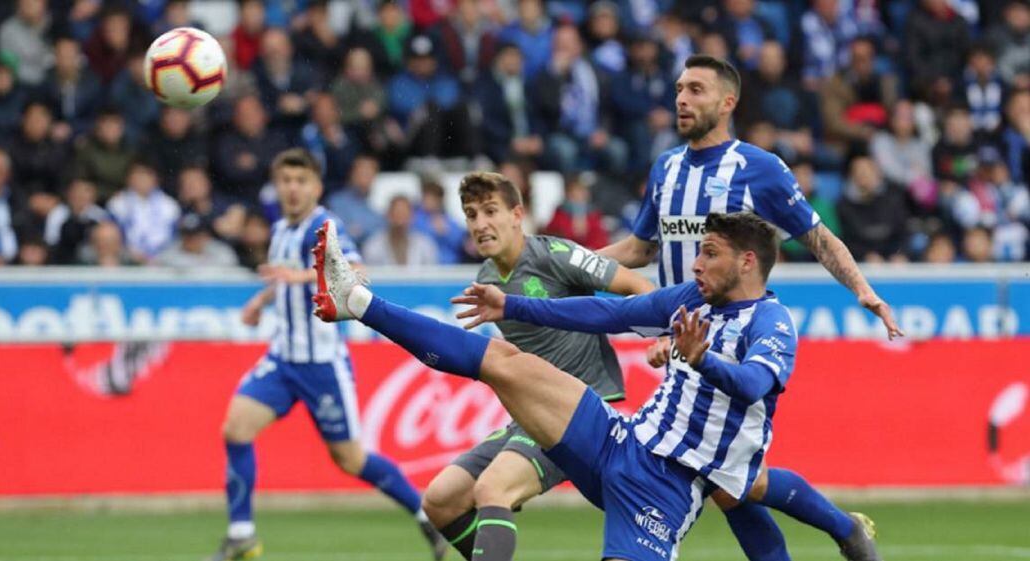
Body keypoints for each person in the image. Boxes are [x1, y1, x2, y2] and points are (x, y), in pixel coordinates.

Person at [314, 211, 872, 561]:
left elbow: (753, 385)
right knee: (505, 362)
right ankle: (358, 302)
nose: (696, 262)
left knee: (748, 489)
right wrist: (513, 303)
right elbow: (608, 312)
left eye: (710, 252)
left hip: (664, 489)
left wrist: (706, 362)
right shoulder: (691, 300)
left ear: (748, 262)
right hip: (619, 440)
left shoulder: (771, 325)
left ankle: (849, 534)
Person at [598, 55, 894, 561]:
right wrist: (568, 264)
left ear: (727, 103)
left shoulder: (759, 169)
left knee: (729, 478)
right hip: (682, 342)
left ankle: (844, 529)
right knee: (730, 483)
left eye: (695, 90)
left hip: (731, 342)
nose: (682, 100)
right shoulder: (666, 168)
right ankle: (845, 530)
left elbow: (819, 238)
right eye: (679, 90)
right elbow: (641, 248)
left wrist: (862, 289)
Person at [208, 149, 446, 561]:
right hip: (283, 359)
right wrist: (262, 299)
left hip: (323, 365)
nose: (293, 188)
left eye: (301, 181)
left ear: (316, 187)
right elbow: (287, 276)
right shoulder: (282, 227)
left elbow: (356, 272)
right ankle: (242, 535)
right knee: (235, 429)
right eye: (286, 180)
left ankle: (425, 514)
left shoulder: (324, 226)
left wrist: (296, 276)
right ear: (277, 185)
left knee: (351, 460)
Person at [419, 171, 655, 561]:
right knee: (440, 500)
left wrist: (661, 334)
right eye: (471, 214)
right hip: (533, 413)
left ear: (517, 214)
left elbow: (639, 287)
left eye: (490, 211)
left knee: (492, 489)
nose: (480, 224)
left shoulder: (554, 255)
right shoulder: (487, 278)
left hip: (579, 409)